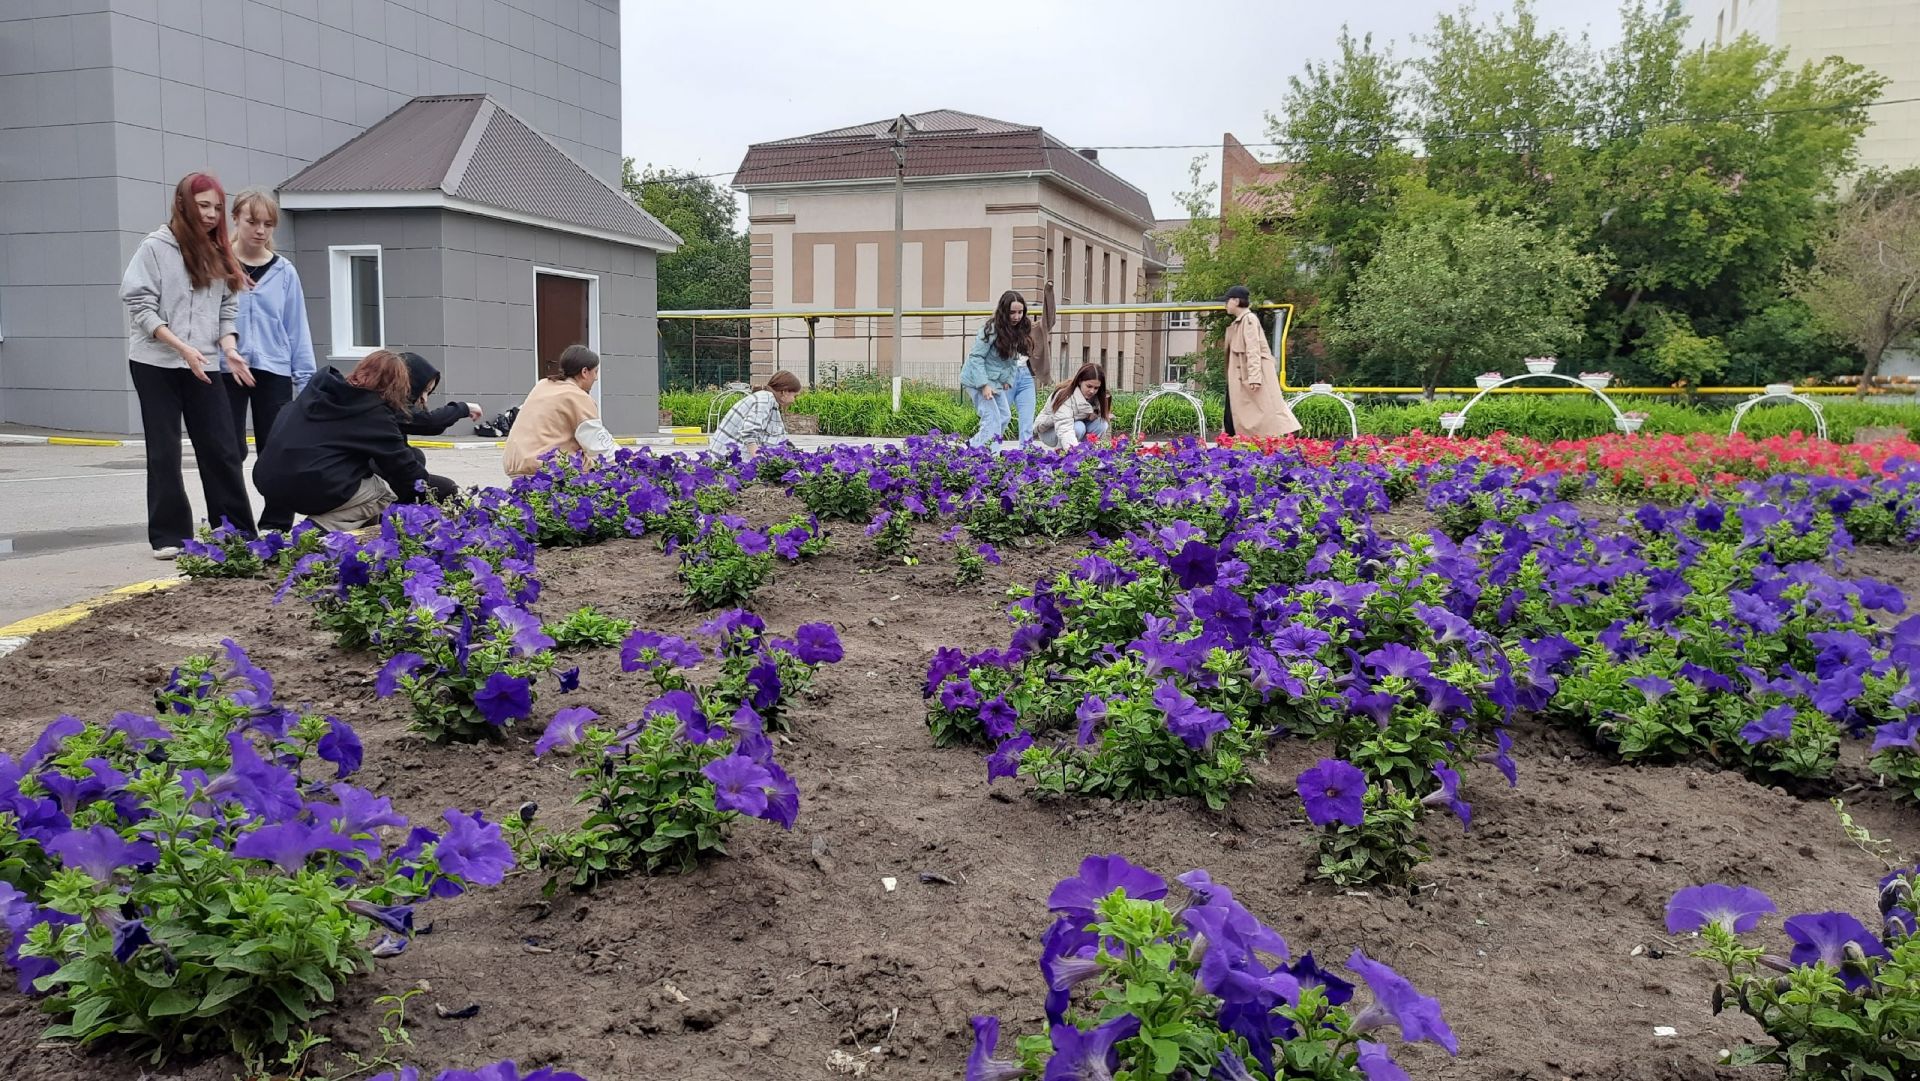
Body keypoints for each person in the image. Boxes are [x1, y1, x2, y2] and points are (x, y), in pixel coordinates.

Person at [120, 172, 259, 558]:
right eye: (204, 206)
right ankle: (169, 536)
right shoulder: (155, 247)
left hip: (205, 362)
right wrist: (182, 348)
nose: (213, 214)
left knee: (221, 447)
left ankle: (234, 532)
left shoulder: (217, 252)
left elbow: (226, 309)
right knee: (163, 450)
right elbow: (139, 306)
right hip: (155, 364)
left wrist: (229, 349)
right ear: (182, 204)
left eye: (217, 207)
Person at [252, 351, 433, 531]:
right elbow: (403, 466)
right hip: (308, 484)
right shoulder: (374, 412)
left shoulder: (320, 389)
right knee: (382, 494)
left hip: (266, 479)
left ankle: (357, 544)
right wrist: (430, 496)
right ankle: (314, 531)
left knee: (363, 483)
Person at [222, 189, 314, 533]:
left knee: (277, 449)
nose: (260, 230)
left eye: (268, 224)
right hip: (225, 368)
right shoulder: (218, 264)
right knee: (227, 451)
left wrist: (306, 382)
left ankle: (276, 523)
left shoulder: (285, 272)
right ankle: (232, 524)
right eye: (252, 222)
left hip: (273, 371)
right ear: (235, 219)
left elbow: (296, 327)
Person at [502, 344, 618, 476]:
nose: (596, 378)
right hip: (548, 468)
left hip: (514, 464)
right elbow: (597, 444)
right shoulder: (577, 396)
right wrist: (626, 461)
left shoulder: (543, 385)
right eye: (595, 372)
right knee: (598, 465)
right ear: (584, 372)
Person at [394, 351, 477, 500]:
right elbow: (429, 423)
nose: (425, 399)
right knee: (446, 488)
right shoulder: (387, 407)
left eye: (429, 392)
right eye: (424, 391)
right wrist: (463, 408)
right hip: (369, 481)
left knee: (416, 456)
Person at [1221, 285, 1300, 440]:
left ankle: (1274, 440)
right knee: (1235, 413)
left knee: (1263, 413)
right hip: (1241, 377)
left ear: (1236, 301)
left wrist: (1254, 377)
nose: (1226, 304)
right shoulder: (1242, 321)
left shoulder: (1248, 320)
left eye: (1227, 300)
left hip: (1247, 377)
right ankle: (1230, 444)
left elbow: (1253, 350)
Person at [960, 290, 1031, 449]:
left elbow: (1013, 358)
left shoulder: (1017, 330)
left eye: (1020, 312)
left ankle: (971, 448)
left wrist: (1009, 379)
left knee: (1004, 417)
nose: (1017, 317)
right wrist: (983, 385)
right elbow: (976, 357)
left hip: (995, 381)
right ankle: (988, 457)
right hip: (977, 380)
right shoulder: (990, 329)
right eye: (1012, 312)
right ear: (1004, 311)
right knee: (991, 420)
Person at [710, 370, 801, 455]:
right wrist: (759, 462)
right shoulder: (765, 400)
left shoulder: (770, 402)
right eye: (795, 396)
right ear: (784, 392)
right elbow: (749, 434)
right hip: (725, 461)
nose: (794, 400)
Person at [1034, 362, 1113, 449]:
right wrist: (1074, 455)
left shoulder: (1099, 397)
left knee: (1102, 424)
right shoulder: (1065, 395)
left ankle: (1087, 451)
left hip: (1074, 424)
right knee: (1079, 427)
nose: (1092, 391)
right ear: (1079, 381)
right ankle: (1062, 453)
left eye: (1096, 388)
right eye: (1089, 386)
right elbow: (1065, 427)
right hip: (1050, 430)